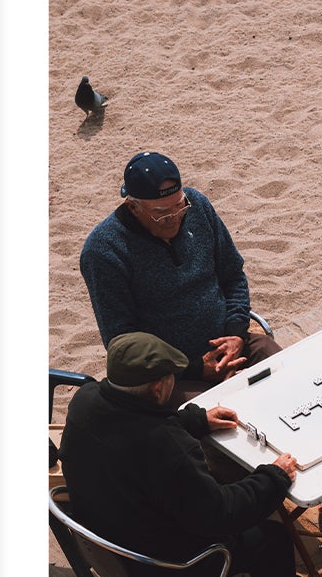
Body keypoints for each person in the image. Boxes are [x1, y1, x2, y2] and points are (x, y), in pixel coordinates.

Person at [58, 331, 306, 577]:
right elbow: (223, 515)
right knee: (272, 537)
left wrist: (195, 420)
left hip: (104, 548)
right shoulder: (170, 449)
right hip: (161, 571)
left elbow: (130, 426)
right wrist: (273, 477)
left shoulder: (84, 400)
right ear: (158, 388)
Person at [79, 150, 281, 398]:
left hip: (229, 343)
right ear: (132, 207)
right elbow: (122, 342)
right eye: (162, 213)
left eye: (179, 206)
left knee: (285, 369)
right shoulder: (104, 251)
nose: (175, 218)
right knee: (216, 414)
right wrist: (194, 368)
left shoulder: (197, 205)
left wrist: (235, 334)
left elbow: (233, 276)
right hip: (168, 373)